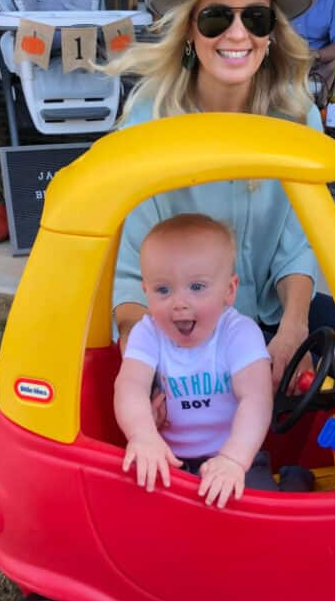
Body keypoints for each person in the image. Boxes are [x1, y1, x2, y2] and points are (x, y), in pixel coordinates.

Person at [110, 0, 335, 394]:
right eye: (217, 18)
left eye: (256, 18)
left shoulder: (296, 116)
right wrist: (149, 372)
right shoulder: (146, 124)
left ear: (272, 33)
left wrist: (292, 328)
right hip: (178, 332)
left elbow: (298, 245)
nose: (238, 34)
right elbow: (131, 275)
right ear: (189, 31)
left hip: (272, 318)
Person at [114, 213, 274, 508]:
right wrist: (143, 435)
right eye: (163, 290)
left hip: (235, 454)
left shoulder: (239, 334)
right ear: (145, 293)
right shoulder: (148, 333)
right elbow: (130, 386)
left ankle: (289, 481)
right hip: (166, 455)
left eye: (197, 287)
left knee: (259, 511)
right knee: (136, 511)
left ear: (229, 290)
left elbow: (257, 398)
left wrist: (234, 459)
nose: (179, 302)